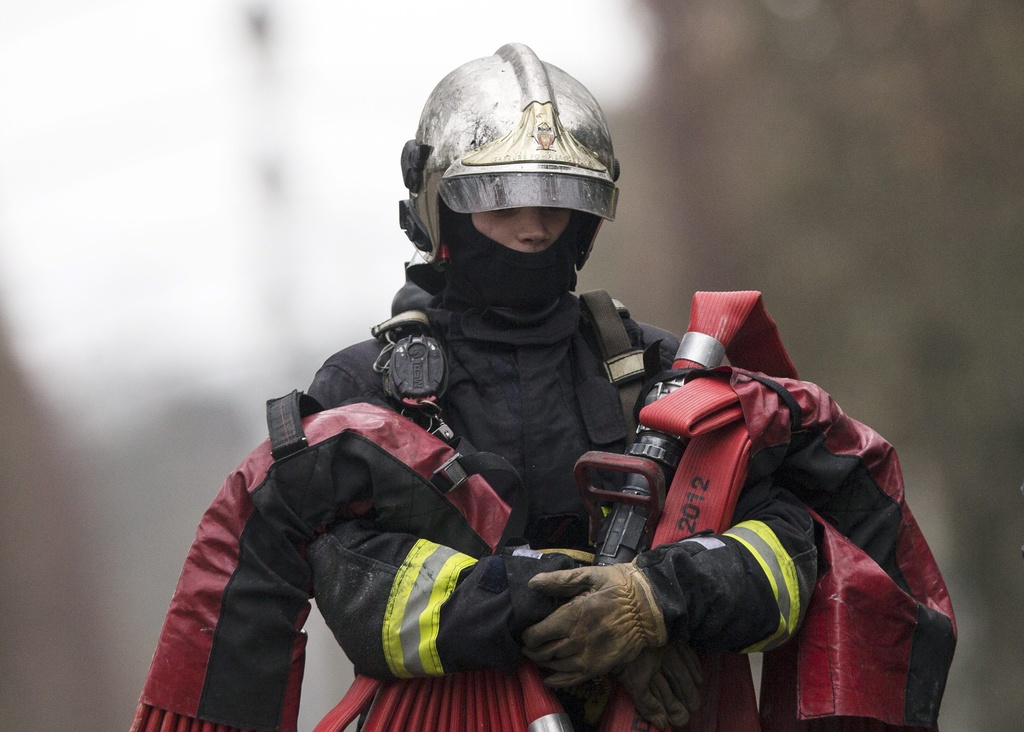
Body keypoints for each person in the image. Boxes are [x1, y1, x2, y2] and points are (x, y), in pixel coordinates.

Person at [305, 43, 817, 731]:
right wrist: (562, 612)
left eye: (560, 196)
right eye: (498, 195)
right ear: (439, 205)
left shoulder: (670, 370)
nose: (534, 225)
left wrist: (653, 600)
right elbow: (361, 593)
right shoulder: (365, 394)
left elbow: (789, 555)